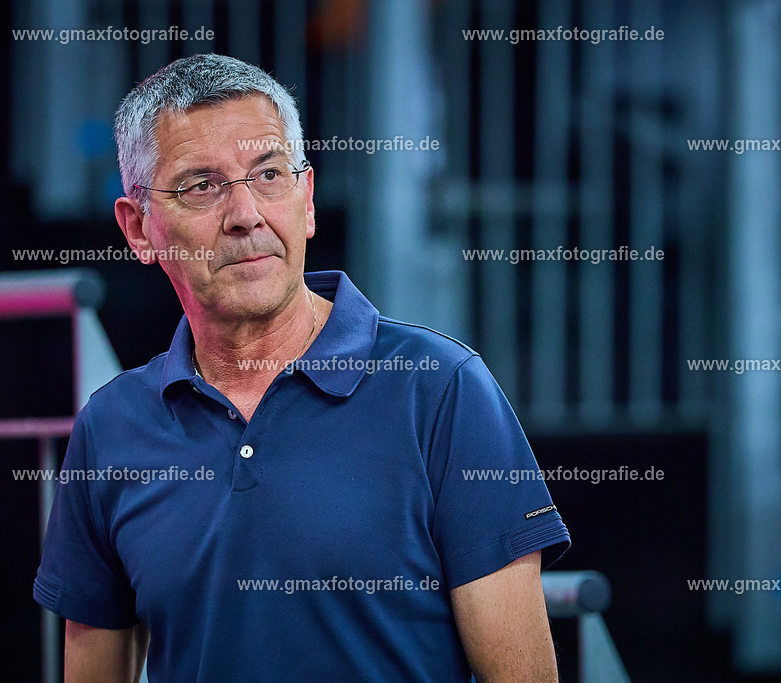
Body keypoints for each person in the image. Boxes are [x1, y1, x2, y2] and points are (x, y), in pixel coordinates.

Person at [35, 53, 569, 682]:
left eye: (267, 175)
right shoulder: (112, 425)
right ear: (138, 228)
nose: (245, 215)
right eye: (202, 186)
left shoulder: (441, 389)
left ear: (307, 199)